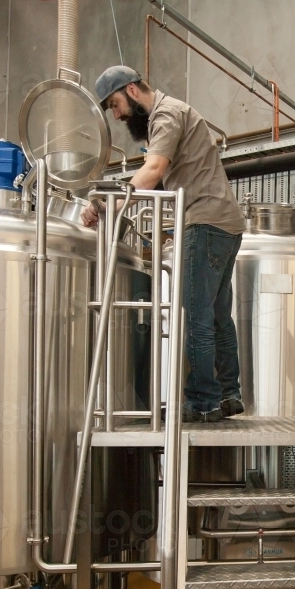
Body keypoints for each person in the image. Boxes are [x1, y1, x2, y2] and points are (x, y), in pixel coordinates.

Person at [83, 66, 245, 423]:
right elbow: (159, 181)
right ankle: (229, 394)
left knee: (195, 316)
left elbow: (154, 169)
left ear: (132, 90)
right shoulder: (176, 113)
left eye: (115, 104)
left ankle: (204, 400)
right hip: (226, 223)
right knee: (218, 315)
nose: (117, 114)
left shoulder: (166, 115)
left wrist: (102, 202)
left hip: (203, 221)